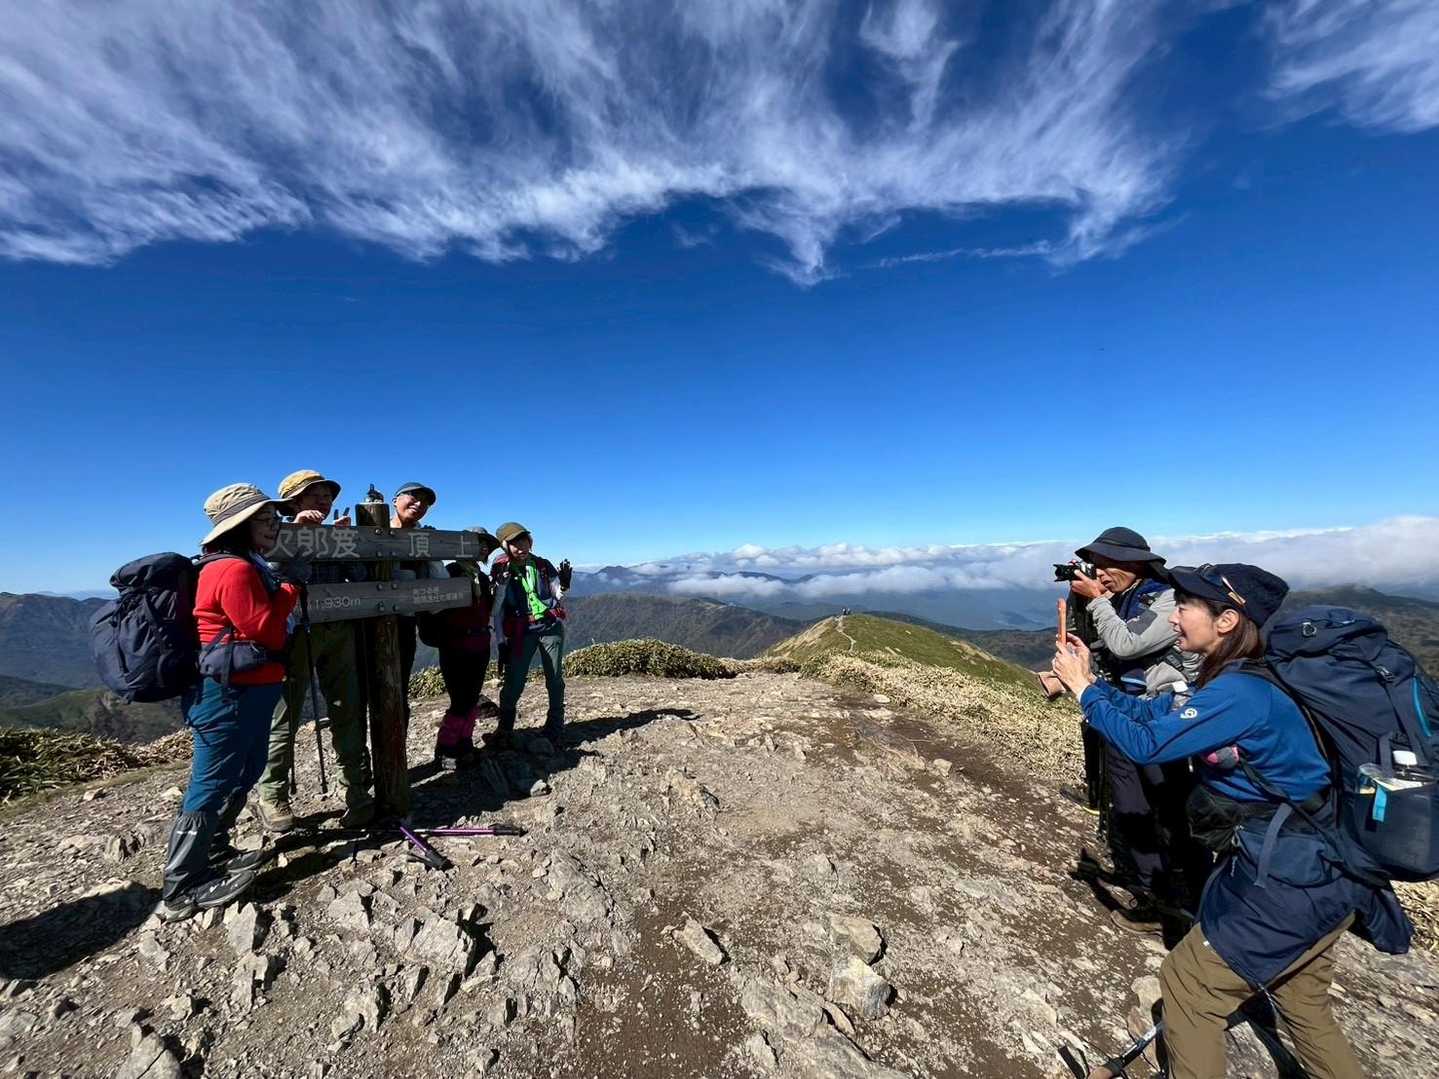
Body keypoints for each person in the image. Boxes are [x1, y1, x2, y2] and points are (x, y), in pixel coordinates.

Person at [1050, 563, 1411, 1079]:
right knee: (1303, 1004)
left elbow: (1147, 744)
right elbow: (1156, 717)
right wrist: (1092, 684)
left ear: (1225, 621)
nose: (1173, 617)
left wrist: (1084, 692)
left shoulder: (1242, 693)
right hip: (1328, 871)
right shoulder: (1235, 679)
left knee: (1188, 986)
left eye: (1185, 607)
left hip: (1295, 876)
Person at [157, 484, 301, 921]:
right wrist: (290, 591)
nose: (275, 525)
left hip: (248, 691)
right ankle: (182, 884)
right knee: (212, 781)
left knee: (247, 769)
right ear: (239, 527)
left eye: (275, 518)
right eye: (265, 519)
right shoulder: (234, 569)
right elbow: (267, 632)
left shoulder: (246, 564)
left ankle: (215, 849)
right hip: (227, 695)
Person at [1062, 527, 1205, 934]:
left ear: (1137, 564)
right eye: (1097, 566)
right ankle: (1149, 890)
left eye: (1109, 565)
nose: (1101, 573)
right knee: (1130, 802)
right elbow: (1101, 642)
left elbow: (1127, 644)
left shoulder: (1166, 599)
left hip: (1164, 716)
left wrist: (1098, 600)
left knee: (1167, 809)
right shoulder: (1125, 596)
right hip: (1129, 709)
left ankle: (1181, 901)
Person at [255, 470, 374, 833]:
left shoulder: (333, 533)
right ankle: (272, 794)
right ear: (294, 502)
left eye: (327, 496)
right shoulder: (277, 533)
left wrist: (340, 542)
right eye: (314, 495)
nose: (324, 501)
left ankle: (356, 790)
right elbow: (273, 575)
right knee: (285, 716)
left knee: (348, 709)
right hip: (294, 633)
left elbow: (359, 577)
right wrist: (302, 537)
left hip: (339, 628)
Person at [424, 526, 501, 768]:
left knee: (471, 699)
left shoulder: (483, 578)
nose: (483, 548)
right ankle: (445, 748)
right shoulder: (451, 572)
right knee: (460, 700)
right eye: (477, 542)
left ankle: (465, 742)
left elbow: (489, 610)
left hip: (480, 645)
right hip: (455, 646)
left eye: (485, 544)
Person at [491, 522, 568, 750]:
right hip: (520, 633)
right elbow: (497, 609)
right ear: (505, 546)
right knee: (514, 682)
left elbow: (556, 594)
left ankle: (555, 727)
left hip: (550, 627)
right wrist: (501, 642)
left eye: (524, 541)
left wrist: (564, 585)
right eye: (514, 543)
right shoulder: (500, 569)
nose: (521, 547)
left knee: (554, 678)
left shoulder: (542, 565)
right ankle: (505, 729)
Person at [390, 481, 440, 684]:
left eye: (425, 502)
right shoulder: (373, 533)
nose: (420, 504)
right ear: (395, 501)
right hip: (373, 620)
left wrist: (432, 550)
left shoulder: (424, 537)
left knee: (401, 679)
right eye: (414, 497)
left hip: (408, 621)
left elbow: (441, 581)